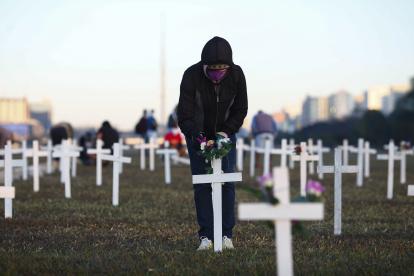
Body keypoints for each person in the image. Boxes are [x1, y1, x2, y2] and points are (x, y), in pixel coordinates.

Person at [177, 36, 248, 251]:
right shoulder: (191, 75)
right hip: (197, 136)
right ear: (204, 65)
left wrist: (225, 132)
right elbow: (185, 115)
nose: (217, 74)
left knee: (227, 183)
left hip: (225, 135)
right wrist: (198, 137)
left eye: (222, 69)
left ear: (229, 66)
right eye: (213, 69)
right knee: (202, 185)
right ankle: (206, 236)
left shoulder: (236, 75)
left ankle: (226, 234)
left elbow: (240, 109)